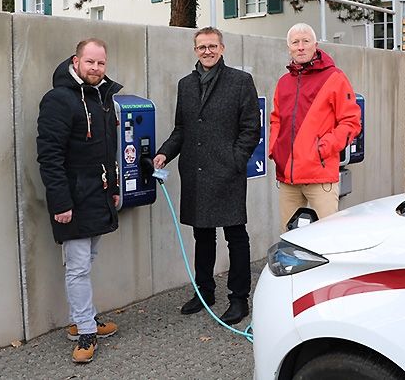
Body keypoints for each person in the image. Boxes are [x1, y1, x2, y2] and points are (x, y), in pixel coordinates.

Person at [153, 27, 260, 325]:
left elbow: (251, 129)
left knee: (236, 237)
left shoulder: (240, 81)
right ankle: (204, 291)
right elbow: (182, 129)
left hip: (228, 173)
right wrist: (165, 153)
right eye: (202, 47)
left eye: (213, 46)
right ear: (195, 50)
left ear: (222, 48)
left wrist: (236, 160)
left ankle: (239, 299)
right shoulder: (185, 85)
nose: (207, 51)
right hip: (196, 174)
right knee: (202, 235)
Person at [37, 38, 121, 363]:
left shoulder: (102, 97)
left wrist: (113, 187)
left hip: (98, 195)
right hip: (72, 198)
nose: (96, 69)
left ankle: (82, 318)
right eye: (90, 63)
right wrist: (60, 203)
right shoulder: (58, 100)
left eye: (101, 63)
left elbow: (108, 148)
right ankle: (85, 329)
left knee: (86, 262)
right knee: (77, 267)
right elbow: (49, 156)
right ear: (76, 61)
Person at [269, 23, 361, 231]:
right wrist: (275, 148)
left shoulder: (334, 77)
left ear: (315, 45)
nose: (300, 46)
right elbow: (276, 119)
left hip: (320, 177)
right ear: (289, 47)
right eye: (295, 42)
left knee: (329, 238)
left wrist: (324, 148)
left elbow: (351, 121)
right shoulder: (284, 82)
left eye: (305, 41)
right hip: (287, 178)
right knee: (290, 237)